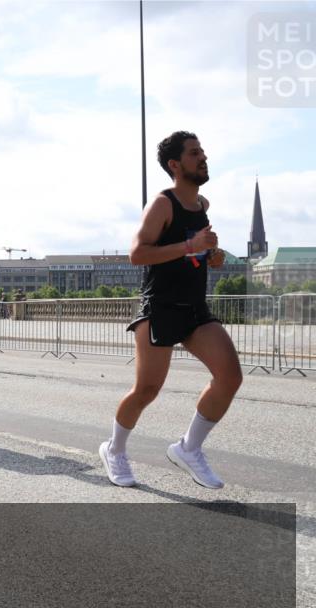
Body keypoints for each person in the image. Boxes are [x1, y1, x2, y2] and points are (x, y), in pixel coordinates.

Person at [99, 131, 238, 490]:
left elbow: (195, 254)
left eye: (203, 151)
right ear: (175, 165)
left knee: (230, 376)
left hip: (194, 308)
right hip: (160, 306)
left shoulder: (202, 206)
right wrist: (189, 244)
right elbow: (137, 253)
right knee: (146, 389)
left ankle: (188, 448)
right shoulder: (162, 204)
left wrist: (211, 255)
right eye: (194, 153)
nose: (203, 157)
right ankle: (114, 449)